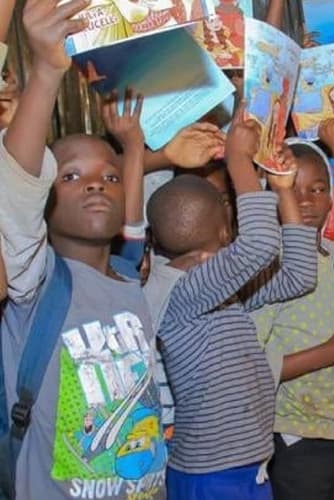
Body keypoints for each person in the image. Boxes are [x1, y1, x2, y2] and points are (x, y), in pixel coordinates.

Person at [1, 1, 165, 497]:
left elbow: (132, 221)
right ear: (46, 200)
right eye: (70, 176)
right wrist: (47, 71)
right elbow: (17, 189)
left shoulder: (127, 274)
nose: (96, 185)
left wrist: (131, 149)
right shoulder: (35, 280)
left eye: (109, 178)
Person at [145, 106, 318, 499]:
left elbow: (299, 276)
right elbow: (260, 244)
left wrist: (284, 190)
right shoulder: (184, 291)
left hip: (245, 467)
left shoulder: (218, 288)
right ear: (226, 232)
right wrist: (239, 161)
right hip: (212, 474)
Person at [252, 125, 334, 500]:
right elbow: (253, 365)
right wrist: (332, 353)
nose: (305, 200)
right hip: (297, 434)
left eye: (317, 189)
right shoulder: (268, 267)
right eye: (291, 188)